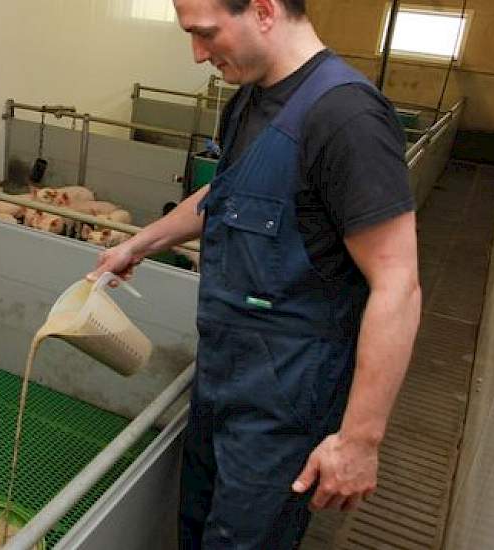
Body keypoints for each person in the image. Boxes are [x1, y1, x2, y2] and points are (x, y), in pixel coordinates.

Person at [87, 0, 421, 547]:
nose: (197, 54)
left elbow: (398, 283)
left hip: (286, 403)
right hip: (221, 378)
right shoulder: (248, 100)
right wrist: (140, 243)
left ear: (264, 10)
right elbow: (228, 192)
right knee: (196, 530)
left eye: (205, 34)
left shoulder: (347, 117)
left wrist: (360, 441)